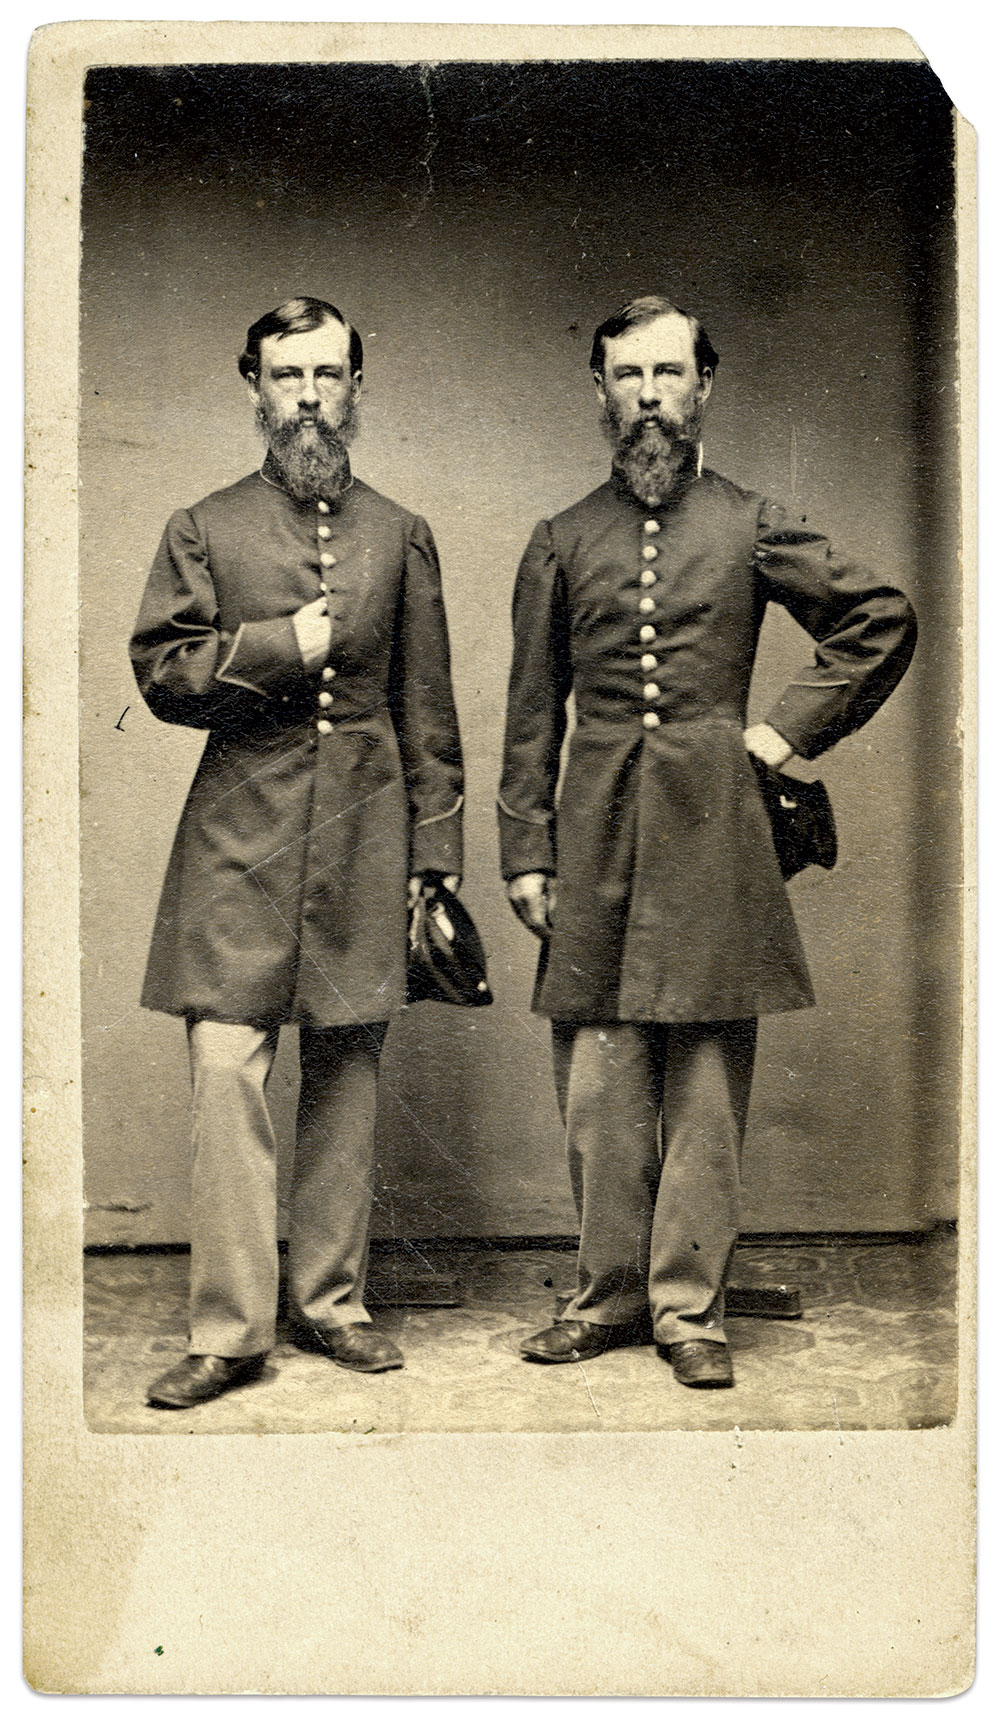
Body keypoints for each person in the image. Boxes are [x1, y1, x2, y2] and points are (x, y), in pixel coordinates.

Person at [498, 294, 916, 1389]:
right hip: (589, 836)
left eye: (668, 375)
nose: (649, 399)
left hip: (713, 832)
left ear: (704, 389)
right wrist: (524, 849)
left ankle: (689, 1312)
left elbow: (878, 618)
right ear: (599, 394)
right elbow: (532, 712)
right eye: (628, 377)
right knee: (595, 1083)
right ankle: (602, 1298)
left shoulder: (750, 520)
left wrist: (775, 737)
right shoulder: (559, 540)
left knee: (703, 1092)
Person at [131, 297, 463, 1407]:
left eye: (328, 374)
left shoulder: (400, 531)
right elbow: (164, 675)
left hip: (364, 835)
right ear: (255, 388)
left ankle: (332, 1304)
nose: (310, 396)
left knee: (347, 1075)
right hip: (239, 838)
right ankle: (228, 1331)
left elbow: (429, 711)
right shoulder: (203, 524)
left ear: (356, 387)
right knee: (227, 1069)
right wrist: (282, 645)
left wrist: (436, 853)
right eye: (288, 376)